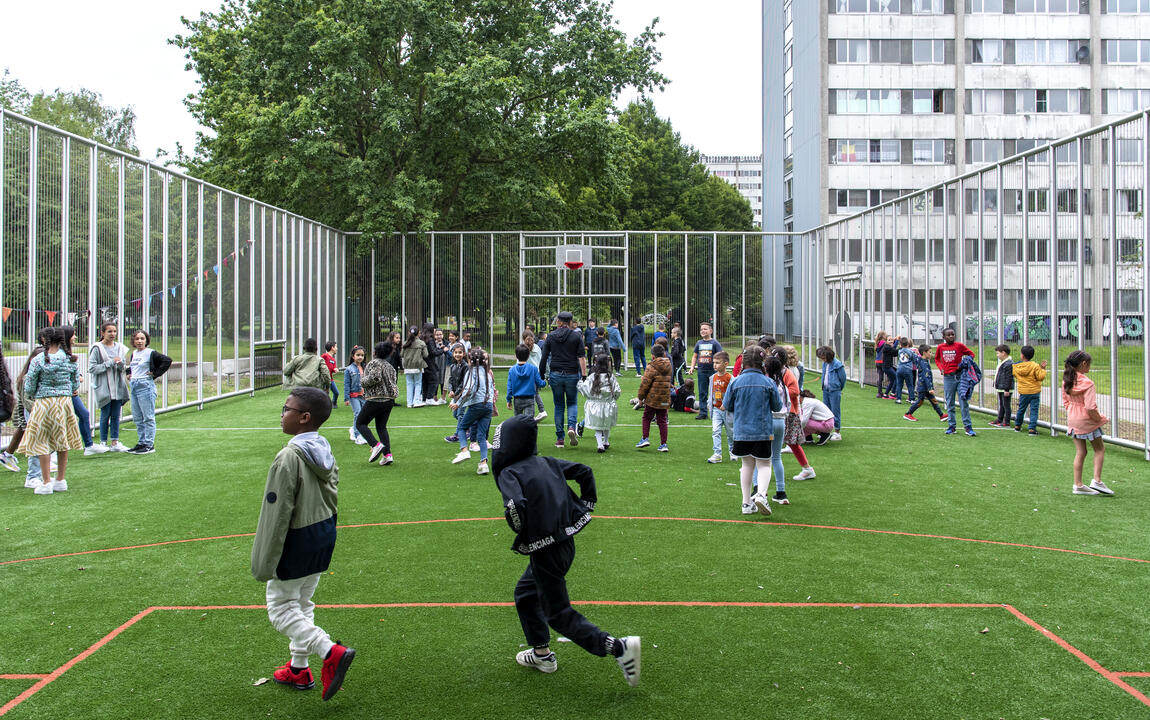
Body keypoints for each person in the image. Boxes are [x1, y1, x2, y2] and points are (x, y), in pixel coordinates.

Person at [490, 414, 640, 687]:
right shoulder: (546, 462)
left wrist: (523, 532)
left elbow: (514, 507)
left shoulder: (509, 473)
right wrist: (587, 503)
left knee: (558, 613)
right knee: (525, 594)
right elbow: (584, 471)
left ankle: (618, 647)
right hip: (564, 544)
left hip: (545, 552)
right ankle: (542, 655)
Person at [251, 386, 355, 702]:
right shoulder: (323, 448)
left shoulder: (288, 456)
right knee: (303, 603)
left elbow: (276, 512)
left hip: (296, 540)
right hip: (322, 536)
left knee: (281, 609)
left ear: (304, 418)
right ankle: (299, 668)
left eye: (287, 409)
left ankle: (329, 651)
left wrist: (264, 560)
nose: (282, 414)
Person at [18, 328, 83, 494]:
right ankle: (60, 479)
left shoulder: (39, 360)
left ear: (44, 340)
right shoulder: (70, 359)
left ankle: (46, 481)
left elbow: (30, 385)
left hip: (44, 402)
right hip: (64, 402)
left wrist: (35, 394)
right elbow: (75, 383)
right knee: (62, 439)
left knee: (41, 440)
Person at [725, 345, 782, 516]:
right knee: (764, 464)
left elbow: (727, 405)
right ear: (762, 361)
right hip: (762, 430)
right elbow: (777, 406)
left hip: (741, 430)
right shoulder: (768, 382)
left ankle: (746, 503)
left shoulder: (735, 381)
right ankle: (761, 495)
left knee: (746, 465)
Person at [1061, 350, 1114, 497]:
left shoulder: (1066, 380)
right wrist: (1099, 419)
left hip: (1073, 420)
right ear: (1084, 364)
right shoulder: (1088, 383)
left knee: (1081, 452)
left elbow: (1065, 401)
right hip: (1087, 421)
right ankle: (1096, 480)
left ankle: (1077, 484)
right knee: (1099, 449)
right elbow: (1090, 408)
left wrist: (1073, 412)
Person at [538, 311, 587, 449]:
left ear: (559, 321)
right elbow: (581, 357)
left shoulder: (551, 336)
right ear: (571, 322)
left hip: (556, 374)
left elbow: (544, 357)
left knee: (559, 406)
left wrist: (541, 375)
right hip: (572, 373)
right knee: (572, 403)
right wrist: (584, 375)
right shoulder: (576, 336)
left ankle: (560, 438)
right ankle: (571, 426)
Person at [125, 329, 172, 454]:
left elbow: (167, 360)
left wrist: (155, 373)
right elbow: (132, 367)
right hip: (134, 386)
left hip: (145, 386)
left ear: (146, 341)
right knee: (137, 417)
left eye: (142, 339)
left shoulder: (150, 353)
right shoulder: (134, 353)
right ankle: (141, 442)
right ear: (133, 341)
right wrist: (129, 373)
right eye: (137, 339)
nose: (139, 341)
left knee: (148, 417)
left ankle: (149, 444)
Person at [772, 346, 815, 482]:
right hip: (778, 412)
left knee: (793, 443)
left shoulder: (788, 373)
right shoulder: (773, 373)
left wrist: (778, 392)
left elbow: (795, 391)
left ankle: (807, 469)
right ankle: (761, 467)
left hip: (789, 413)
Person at [58, 326, 101, 457]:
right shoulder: (58, 354)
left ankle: (89, 445)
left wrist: (78, 377)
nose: (75, 337)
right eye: (73, 334)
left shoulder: (67, 353)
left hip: (71, 392)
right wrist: (75, 380)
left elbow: (73, 372)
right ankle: (53, 452)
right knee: (58, 420)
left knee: (84, 414)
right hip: (62, 392)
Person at [88, 322, 132, 453]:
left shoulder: (120, 348)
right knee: (104, 414)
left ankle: (115, 441)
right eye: (109, 331)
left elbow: (122, 367)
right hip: (104, 387)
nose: (112, 334)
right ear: (102, 333)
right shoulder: (97, 348)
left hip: (118, 386)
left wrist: (119, 364)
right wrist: (109, 363)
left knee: (115, 415)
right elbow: (92, 368)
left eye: (114, 331)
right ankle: (103, 442)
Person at [451, 347, 495, 474]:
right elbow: (491, 390)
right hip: (488, 405)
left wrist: (458, 403)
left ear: (470, 360)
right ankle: (483, 463)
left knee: (461, 428)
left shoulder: (471, 372)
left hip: (477, 404)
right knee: (482, 436)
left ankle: (464, 451)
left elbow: (468, 389)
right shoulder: (487, 373)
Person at [357, 341, 399, 466]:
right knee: (381, 427)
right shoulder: (390, 366)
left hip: (376, 398)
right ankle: (387, 455)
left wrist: (363, 381)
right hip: (389, 400)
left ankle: (375, 445)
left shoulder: (374, 363)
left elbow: (375, 377)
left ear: (375, 352)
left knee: (360, 423)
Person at [762, 355, 793, 505]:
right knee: (776, 457)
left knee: (760, 457)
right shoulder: (783, 385)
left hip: (769, 421)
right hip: (781, 421)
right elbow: (787, 404)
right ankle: (781, 492)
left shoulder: (766, 384)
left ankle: (759, 490)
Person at [935, 327, 975, 436]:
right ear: (943, 337)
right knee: (950, 402)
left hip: (960, 376)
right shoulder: (940, 347)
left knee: (963, 401)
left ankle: (968, 427)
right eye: (949, 335)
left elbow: (971, 354)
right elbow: (937, 359)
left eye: (953, 334)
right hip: (948, 377)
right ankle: (952, 426)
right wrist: (941, 368)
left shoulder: (959, 346)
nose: (951, 336)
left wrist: (963, 364)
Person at [578, 354, 620, 453]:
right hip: (608, 406)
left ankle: (600, 445)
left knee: (598, 426)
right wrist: (614, 398)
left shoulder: (593, 377)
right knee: (606, 424)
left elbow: (586, 390)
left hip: (595, 406)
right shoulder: (611, 377)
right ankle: (605, 441)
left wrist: (579, 384)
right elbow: (617, 391)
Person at [634, 343, 672, 452]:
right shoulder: (668, 365)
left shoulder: (651, 366)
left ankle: (645, 438)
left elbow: (645, 384)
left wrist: (640, 398)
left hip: (652, 398)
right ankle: (663, 444)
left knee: (646, 417)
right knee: (662, 420)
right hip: (665, 398)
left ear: (653, 356)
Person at [686, 322, 722, 420]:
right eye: (701, 329)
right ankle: (703, 413)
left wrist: (719, 368)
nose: (703, 331)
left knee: (715, 392)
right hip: (701, 371)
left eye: (705, 329)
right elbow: (694, 356)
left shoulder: (715, 343)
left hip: (713, 372)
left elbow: (720, 356)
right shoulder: (699, 343)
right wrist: (692, 367)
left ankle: (716, 412)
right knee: (702, 393)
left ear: (711, 331)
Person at [904, 345, 947, 423]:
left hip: (925, 386)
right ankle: (908, 414)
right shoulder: (924, 363)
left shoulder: (921, 360)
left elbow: (915, 356)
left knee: (933, 400)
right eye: (929, 352)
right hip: (923, 386)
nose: (931, 354)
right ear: (924, 353)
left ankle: (941, 415)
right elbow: (926, 376)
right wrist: (930, 388)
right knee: (920, 401)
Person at [706, 351, 734, 464]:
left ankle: (733, 451)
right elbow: (711, 392)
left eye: (717, 363)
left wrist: (726, 404)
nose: (715, 365)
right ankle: (717, 453)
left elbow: (733, 394)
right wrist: (710, 404)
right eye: (714, 363)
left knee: (730, 433)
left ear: (725, 364)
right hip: (716, 409)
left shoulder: (731, 378)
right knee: (715, 431)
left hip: (728, 411)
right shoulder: (712, 377)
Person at [1012, 345, 1047, 435]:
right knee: (1034, 410)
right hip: (1035, 391)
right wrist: (1043, 369)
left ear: (1022, 355)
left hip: (1023, 392)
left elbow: (1015, 375)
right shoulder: (1035, 366)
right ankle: (1032, 429)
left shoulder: (1016, 367)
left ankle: (1017, 426)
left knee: (1021, 409)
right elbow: (1040, 377)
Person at [507, 344, 547, 418]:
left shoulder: (512, 370)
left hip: (517, 399)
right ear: (528, 356)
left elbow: (509, 387)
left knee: (518, 422)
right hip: (529, 399)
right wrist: (544, 382)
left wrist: (509, 399)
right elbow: (539, 383)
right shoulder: (533, 369)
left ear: (516, 356)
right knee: (528, 422)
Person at [815, 346, 845, 441]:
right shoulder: (825, 364)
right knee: (825, 410)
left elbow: (842, 378)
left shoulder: (837, 364)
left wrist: (838, 388)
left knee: (835, 410)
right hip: (826, 390)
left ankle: (837, 432)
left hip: (834, 390)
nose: (822, 360)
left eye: (823, 358)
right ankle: (825, 431)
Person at [443, 343, 469, 445]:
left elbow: (464, 382)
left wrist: (456, 393)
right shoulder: (453, 366)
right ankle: (469, 426)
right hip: (455, 395)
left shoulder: (465, 366)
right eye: (455, 352)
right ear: (452, 353)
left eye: (460, 352)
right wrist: (450, 390)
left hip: (462, 395)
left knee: (460, 414)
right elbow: (450, 380)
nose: (457, 354)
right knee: (455, 414)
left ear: (464, 353)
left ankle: (458, 435)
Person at [343, 345, 367, 445]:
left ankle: (353, 429)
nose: (360, 357)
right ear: (353, 356)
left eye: (362, 355)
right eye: (358, 355)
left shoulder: (365, 367)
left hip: (363, 395)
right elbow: (346, 384)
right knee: (358, 414)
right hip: (354, 396)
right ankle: (358, 436)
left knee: (363, 415)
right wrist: (346, 398)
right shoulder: (349, 369)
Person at [400, 326, 428, 408]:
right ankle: (416, 401)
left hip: (407, 366)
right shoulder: (421, 343)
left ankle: (409, 403)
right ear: (418, 333)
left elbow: (401, 354)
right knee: (418, 383)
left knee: (409, 384)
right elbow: (426, 355)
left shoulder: (405, 343)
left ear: (409, 333)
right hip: (418, 366)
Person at [522, 331, 547, 422]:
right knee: (535, 393)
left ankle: (529, 415)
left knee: (529, 395)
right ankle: (542, 410)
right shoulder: (537, 348)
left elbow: (519, 362)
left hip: (526, 374)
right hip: (537, 373)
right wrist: (545, 373)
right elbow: (542, 360)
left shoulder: (522, 348)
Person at [991, 344, 1014, 427]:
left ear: (1003, 353)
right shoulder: (1002, 363)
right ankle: (1000, 419)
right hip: (1001, 387)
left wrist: (1007, 389)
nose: (997, 355)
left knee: (1006, 405)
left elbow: (1009, 377)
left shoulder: (1009, 363)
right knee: (1002, 404)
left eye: (998, 353)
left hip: (1005, 388)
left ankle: (1006, 421)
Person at [421, 323, 445, 406]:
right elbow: (433, 352)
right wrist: (443, 350)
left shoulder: (422, 338)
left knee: (425, 381)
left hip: (423, 362)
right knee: (434, 380)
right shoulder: (430, 339)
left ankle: (424, 398)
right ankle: (430, 398)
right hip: (430, 362)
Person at [893, 337, 917, 405]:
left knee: (899, 384)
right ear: (908, 344)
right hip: (907, 369)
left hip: (899, 368)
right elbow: (914, 359)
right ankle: (912, 399)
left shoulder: (900, 351)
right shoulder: (910, 351)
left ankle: (898, 398)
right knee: (910, 384)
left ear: (900, 344)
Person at [321, 341, 340, 407]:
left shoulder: (333, 360)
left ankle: (333, 403)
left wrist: (335, 370)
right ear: (332, 348)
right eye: (336, 347)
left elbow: (334, 368)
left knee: (336, 393)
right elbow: (319, 362)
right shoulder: (325, 356)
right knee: (325, 393)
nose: (337, 348)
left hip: (330, 379)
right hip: (324, 379)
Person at [880, 333, 899, 399]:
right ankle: (893, 393)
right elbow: (895, 350)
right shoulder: (887, 347)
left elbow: (893, 350)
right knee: (896, 379)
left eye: (892, 340)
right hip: (887, 367)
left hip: (887, 366)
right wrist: (899, 343)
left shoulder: (888, 347)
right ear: (886, 341)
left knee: (892, 380)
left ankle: (885, 394)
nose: (891, 341)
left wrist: (896, 340)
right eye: (889, 340)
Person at [873, 332, 890, 399]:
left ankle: (879, 392)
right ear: (883, 336)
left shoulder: (877, 343)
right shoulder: (883, 342)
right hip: (882, 361)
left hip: (877, 361)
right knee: (890, 375)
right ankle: (889, 391)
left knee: (880, 377)